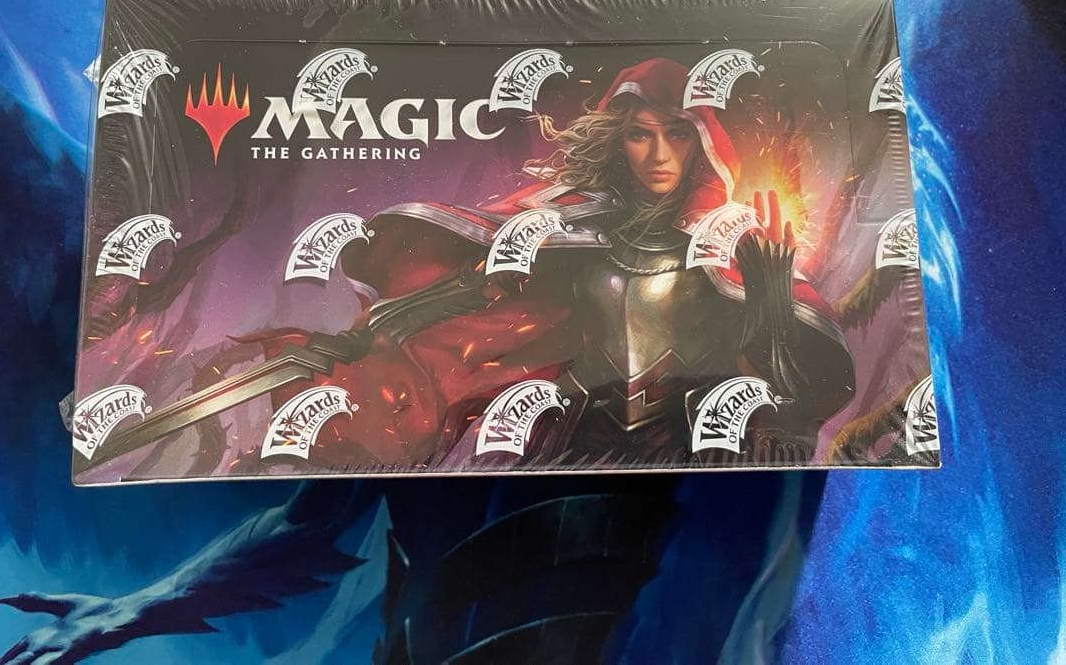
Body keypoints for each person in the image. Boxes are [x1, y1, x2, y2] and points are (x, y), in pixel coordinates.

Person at [253, 58, 855, 470]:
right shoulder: (572, 223)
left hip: (688, 443)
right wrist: (376, 332)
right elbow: (478, 296)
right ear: (619, 140)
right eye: (641, 135)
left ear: (700, 141)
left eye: (676, 134)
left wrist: (772, 298)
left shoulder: (731, 241)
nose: (659, 154)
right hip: (573, 436)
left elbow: (792, 385)